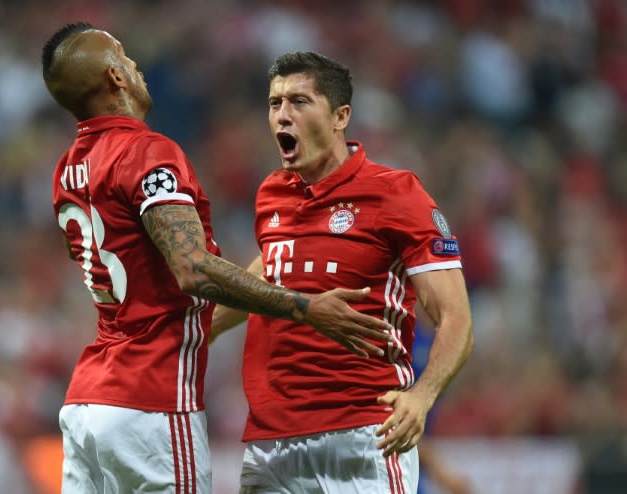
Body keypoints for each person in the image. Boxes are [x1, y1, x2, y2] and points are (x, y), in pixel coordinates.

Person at [41, 24, 394, 494]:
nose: (135, 64)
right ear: (115, 77)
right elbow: (192, 268)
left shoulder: (68, 168)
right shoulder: (147, 151)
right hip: (151, 402)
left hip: (87, 403)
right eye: (124, 56)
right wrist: (305, 308)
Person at [210, 51, 474, 493]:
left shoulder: (395, 195)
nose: (282, 115)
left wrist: (421, 397)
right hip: (269, 445)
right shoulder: (272, 194)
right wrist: (196, 328)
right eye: (274, 104)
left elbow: (457, 319)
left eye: (298, 101)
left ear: (340, 116)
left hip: (362, 437)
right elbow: (271, 273)